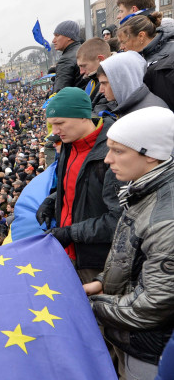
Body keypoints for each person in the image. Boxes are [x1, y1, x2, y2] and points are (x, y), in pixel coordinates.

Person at [85, 106, 174, 380]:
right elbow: (132, 260)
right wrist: (99, 285)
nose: (108, 160)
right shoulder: (144, 189)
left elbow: (153, 306)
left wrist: (90, 306)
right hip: (134, 338)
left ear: (151, 155)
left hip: (152, 349)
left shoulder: (167, 218)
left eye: (118, 151)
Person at [37, 87, 122, 283]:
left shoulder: (112, 153)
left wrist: (70, 233)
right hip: (69, 253)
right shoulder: (69, 142)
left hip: (97, 262)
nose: (55, 132)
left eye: (59, 123)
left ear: (83, 116)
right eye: (51, 124)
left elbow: (119, 219)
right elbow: (76, 186)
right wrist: (52, 201)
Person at [116, 12, 174, 111]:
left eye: (123, 42)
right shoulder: (142, 56)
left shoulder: (170, 53)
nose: (121, 47)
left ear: (141, 36)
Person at [96, 50, 169, 118]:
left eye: (104, 83)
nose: (100, 90)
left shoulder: (149, 113)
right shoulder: (133, 107)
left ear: (122, 80)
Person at [75, 38, 113, 114]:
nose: (81, 72)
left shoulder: (111, 80)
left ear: (100, 59)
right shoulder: (92, 82)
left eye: (84, 66)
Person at [51, 20, 83, 93]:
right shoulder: (81, 50)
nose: (53, 40)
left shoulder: (66, 60)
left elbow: (59, 94)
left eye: (57, 35)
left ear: (69, 37)